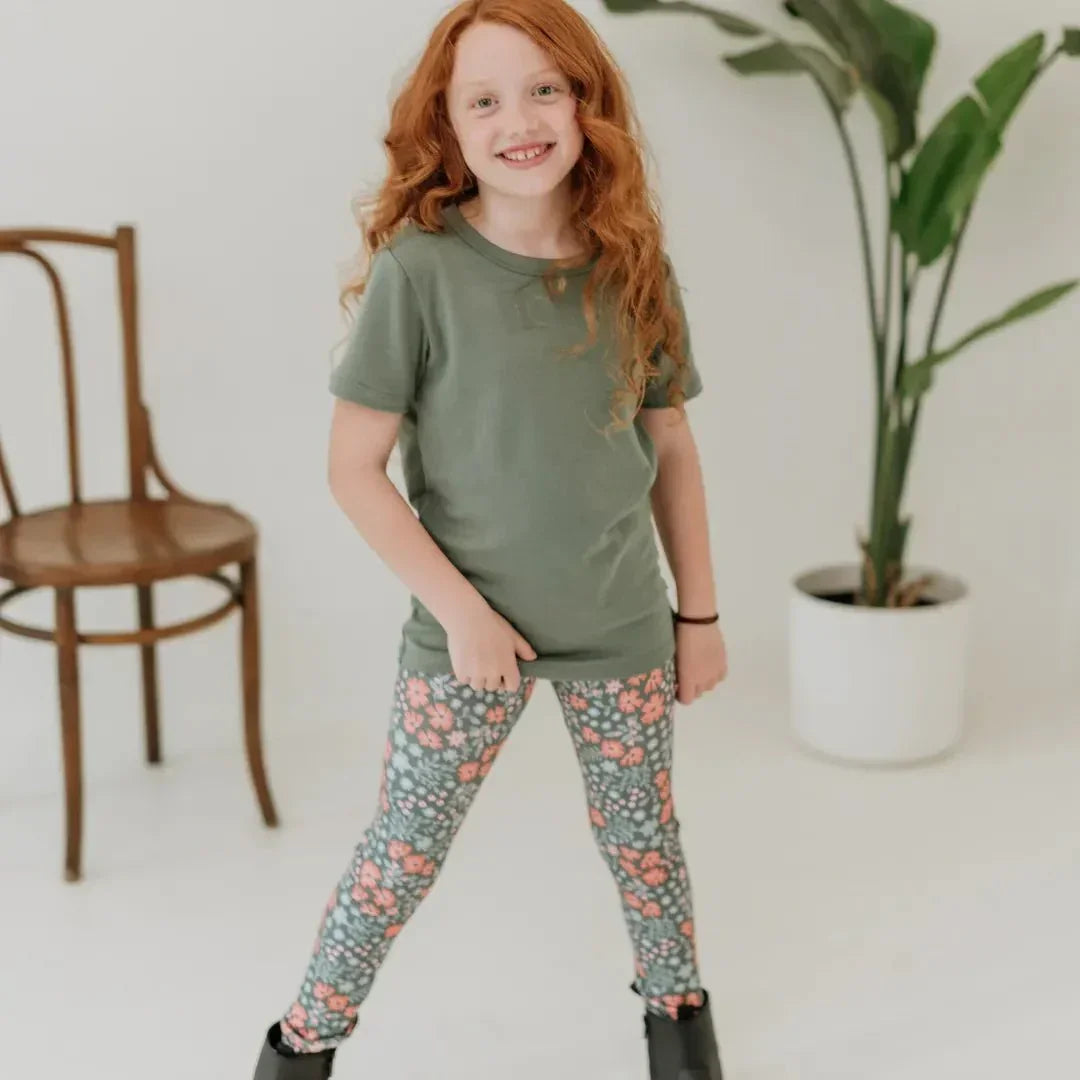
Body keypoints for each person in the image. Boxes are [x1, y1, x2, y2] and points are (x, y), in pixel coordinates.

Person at [252, 1, 729, 1076]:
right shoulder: (420, 274)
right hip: (468, 640)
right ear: (451, 130)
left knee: (646, 847)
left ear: (586, 105)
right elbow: (352, 470)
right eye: (485, 99)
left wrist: (694, 615)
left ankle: (682, 1034)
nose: (519, 118)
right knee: (402, 854)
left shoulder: (634, 266)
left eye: (544, 89)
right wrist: (462, 613)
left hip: (620, 628)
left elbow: (677, 451)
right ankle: (301, 1043)